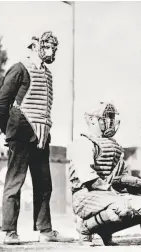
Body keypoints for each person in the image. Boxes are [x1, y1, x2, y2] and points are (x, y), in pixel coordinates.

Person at [0, 31, 73, 245]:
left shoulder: (47, 74)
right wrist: (8, 130)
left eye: (53, 47)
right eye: (46, 46)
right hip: (21, 131)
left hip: (41, 134)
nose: (50, 51)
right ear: (34, 47)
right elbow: (2, 102)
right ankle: (9, 231)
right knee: (15, 181)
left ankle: (45, 230)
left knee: (43, 183)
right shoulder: (20, 68)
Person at [69, 101, 141, 246]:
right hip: (85, 196)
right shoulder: (83, 142)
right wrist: (114, 193)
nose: (110, 121)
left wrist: (130, 185)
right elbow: (89, 179)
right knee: (122, 206)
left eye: (111, 117)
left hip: (108, 195)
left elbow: (121, 176)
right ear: (91, 120)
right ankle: (85, 229)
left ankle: (105, 231)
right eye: (105, 117)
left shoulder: (115, 146)